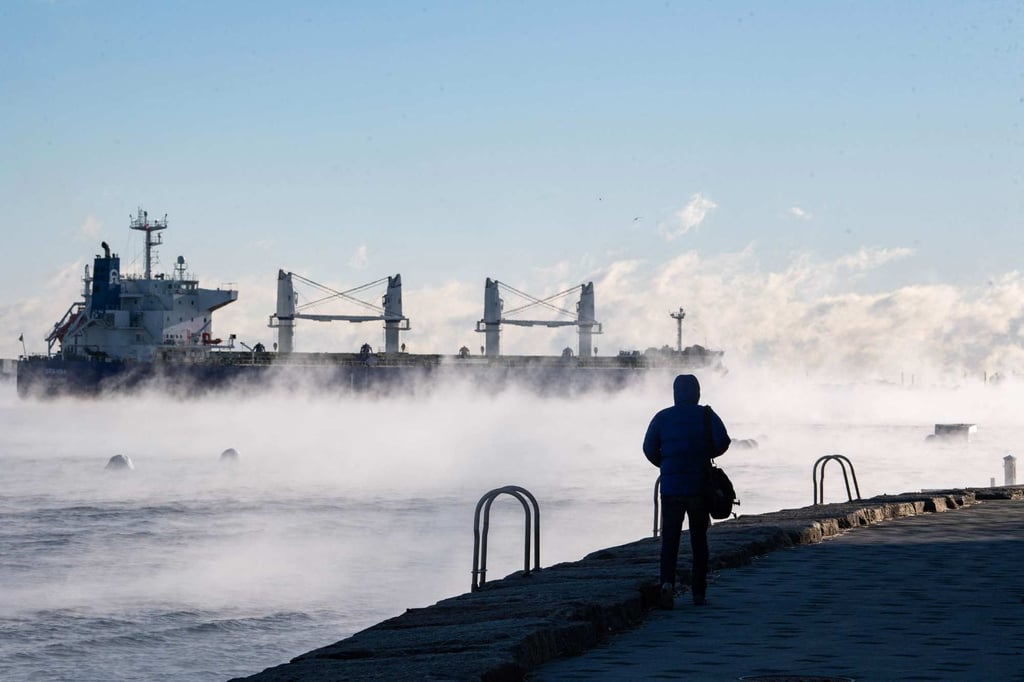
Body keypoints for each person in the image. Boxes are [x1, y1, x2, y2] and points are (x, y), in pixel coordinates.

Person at [643, 374, 730, 609]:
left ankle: (666, 587)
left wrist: (666, 464)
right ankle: (698, 592)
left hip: (670, 489)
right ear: (697, 392)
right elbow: (723, 441)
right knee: (698, 541)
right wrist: (705, 453)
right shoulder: (706, 415)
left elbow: (648, 448)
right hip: (699, 486)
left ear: (675, 393)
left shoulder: (662, 417)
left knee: (669, 541)